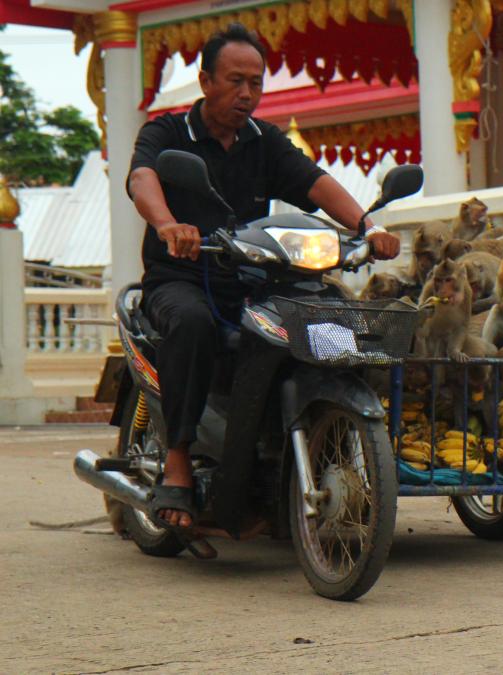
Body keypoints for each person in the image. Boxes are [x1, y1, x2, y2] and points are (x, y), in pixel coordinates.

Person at [126, 23, 400, 530]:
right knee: (191, 324)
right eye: (235, 81)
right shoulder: (167, 133)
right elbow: (142, 178)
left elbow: (313, 182)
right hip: (182, 277)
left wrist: (368, 224)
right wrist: (168, 225)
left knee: (325, 312)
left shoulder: (264, 141)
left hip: (251, 281)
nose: (246, 93)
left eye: (256, 82)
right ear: (207, 81)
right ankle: (180, 460)